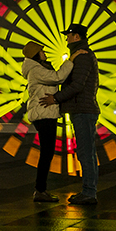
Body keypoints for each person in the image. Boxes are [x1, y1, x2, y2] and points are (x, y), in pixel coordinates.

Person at [40, 23, 99, 205]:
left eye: (68, 35)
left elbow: (77, 85)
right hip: (82, 109)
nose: (66, 39)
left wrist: (56, 98)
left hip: (82, 109)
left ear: (76, 37)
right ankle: (89, 191)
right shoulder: (82, 56)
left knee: (85, 153)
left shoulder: (83, 57)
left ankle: (89, 192)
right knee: (87, 152)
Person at [22, 40, 72, 202]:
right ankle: (40, 190)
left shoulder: (36, 69)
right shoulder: (36, 70)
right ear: (35, 54)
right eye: (42, 51)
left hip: (45, 114)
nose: (45, 53)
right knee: (47, 153)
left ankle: (41, 189)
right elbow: (58, 77)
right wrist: (70, 61)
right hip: (44, 114)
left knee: (47, 152)